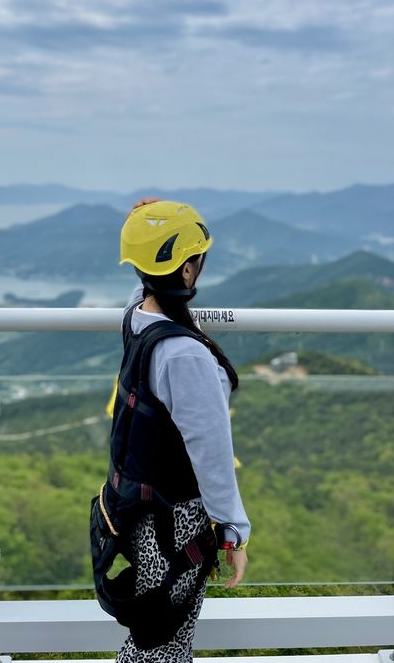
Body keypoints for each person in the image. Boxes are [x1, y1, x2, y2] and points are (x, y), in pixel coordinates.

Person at [108, 197, 250, 662]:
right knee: (164, 643)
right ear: (189, 271)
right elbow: (210, 449)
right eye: (198, 259)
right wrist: (232, 530)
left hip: (134, 506)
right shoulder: (185, 356)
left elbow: (143, 290)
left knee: (157, 634)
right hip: (176, 521)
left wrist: (148, 229)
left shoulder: (138, 321)